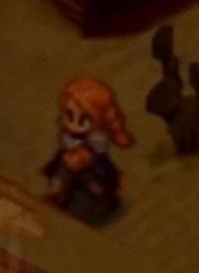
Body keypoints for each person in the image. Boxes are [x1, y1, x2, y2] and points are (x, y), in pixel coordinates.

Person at [42, 76, 133, 217]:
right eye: (70, 116)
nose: (74, 125)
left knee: (94, 185)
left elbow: (100, 159)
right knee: (60, 179)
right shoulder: (66, 134)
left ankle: (105, 200)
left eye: (82, 120)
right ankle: (56, 197)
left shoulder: (96, 139)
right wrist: (55, 164)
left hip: (90, 171)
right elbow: (62, 151)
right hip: (68, 167)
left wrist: (86, 159)